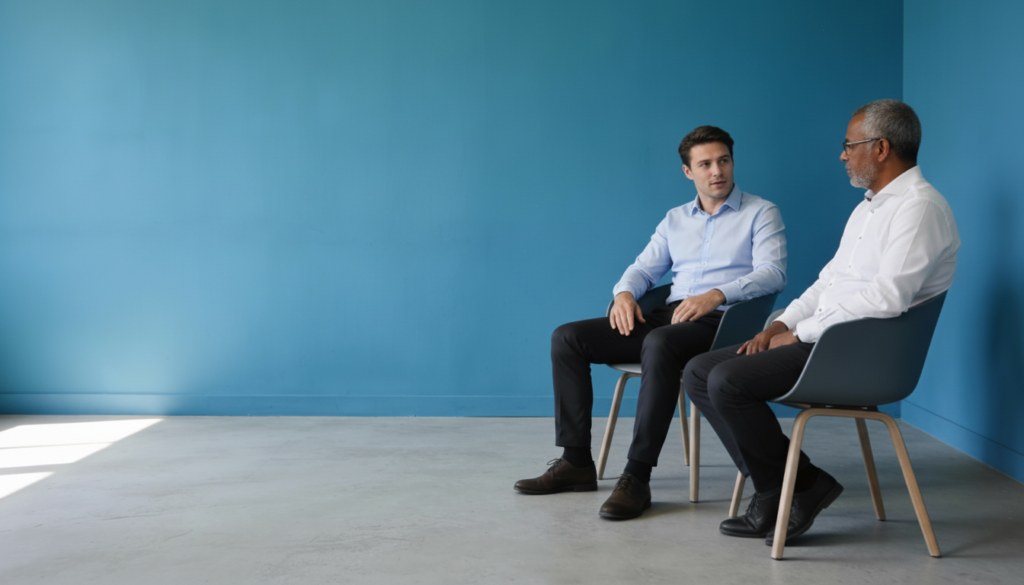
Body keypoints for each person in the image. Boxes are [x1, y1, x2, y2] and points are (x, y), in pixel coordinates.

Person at [682, 99, 960, 545]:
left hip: (860, 354)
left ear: (882, 148)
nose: (843, 155)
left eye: (850, 145)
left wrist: (800, 333)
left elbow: (887, 299)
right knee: (698, 372)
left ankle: (788, 490)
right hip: (826, 340)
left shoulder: (919, 208)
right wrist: (779, 325)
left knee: (728, 382)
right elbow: (828, 281)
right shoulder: (869, 208)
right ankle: (795, 486)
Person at [514, 126, 788, 521]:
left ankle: (637, 477)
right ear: (687, 172)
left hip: (724, 320)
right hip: (671, 315)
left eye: (723, 161)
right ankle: (575, 461)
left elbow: (772, 274)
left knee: (660, 344)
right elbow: (644, 268)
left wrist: (717, 294)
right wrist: (624, 293)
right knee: (568, 338)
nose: (717, 171)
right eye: (705, 164)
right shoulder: (676, 219)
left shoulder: (761, 212)